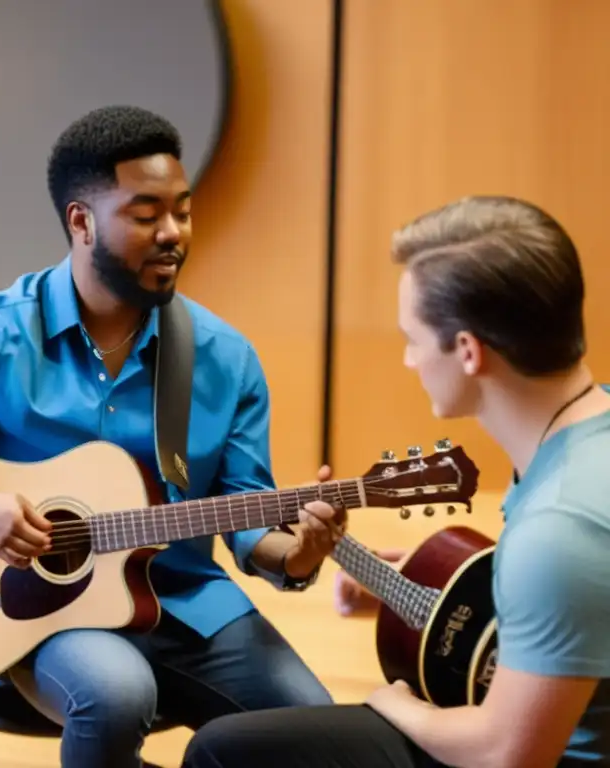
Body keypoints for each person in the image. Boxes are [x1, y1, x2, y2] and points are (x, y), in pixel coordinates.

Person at [0, 104, 345, 767]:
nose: (173, 233)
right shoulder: (2, 335)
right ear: (81, 221)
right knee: (114, 694)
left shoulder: (227, 359)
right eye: (146, 215)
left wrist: (302, 553)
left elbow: (251, 522)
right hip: (38, 614)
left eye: (183, 212)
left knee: (322, 738)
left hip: (189, 606)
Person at [182, 195, 610, 768]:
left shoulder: (557, 528)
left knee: (223, 752)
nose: (408, 360)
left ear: (467, 352)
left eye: (411, 338)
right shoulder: (588, 434)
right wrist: (438, 588)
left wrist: (394, 703)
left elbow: (506, 753)